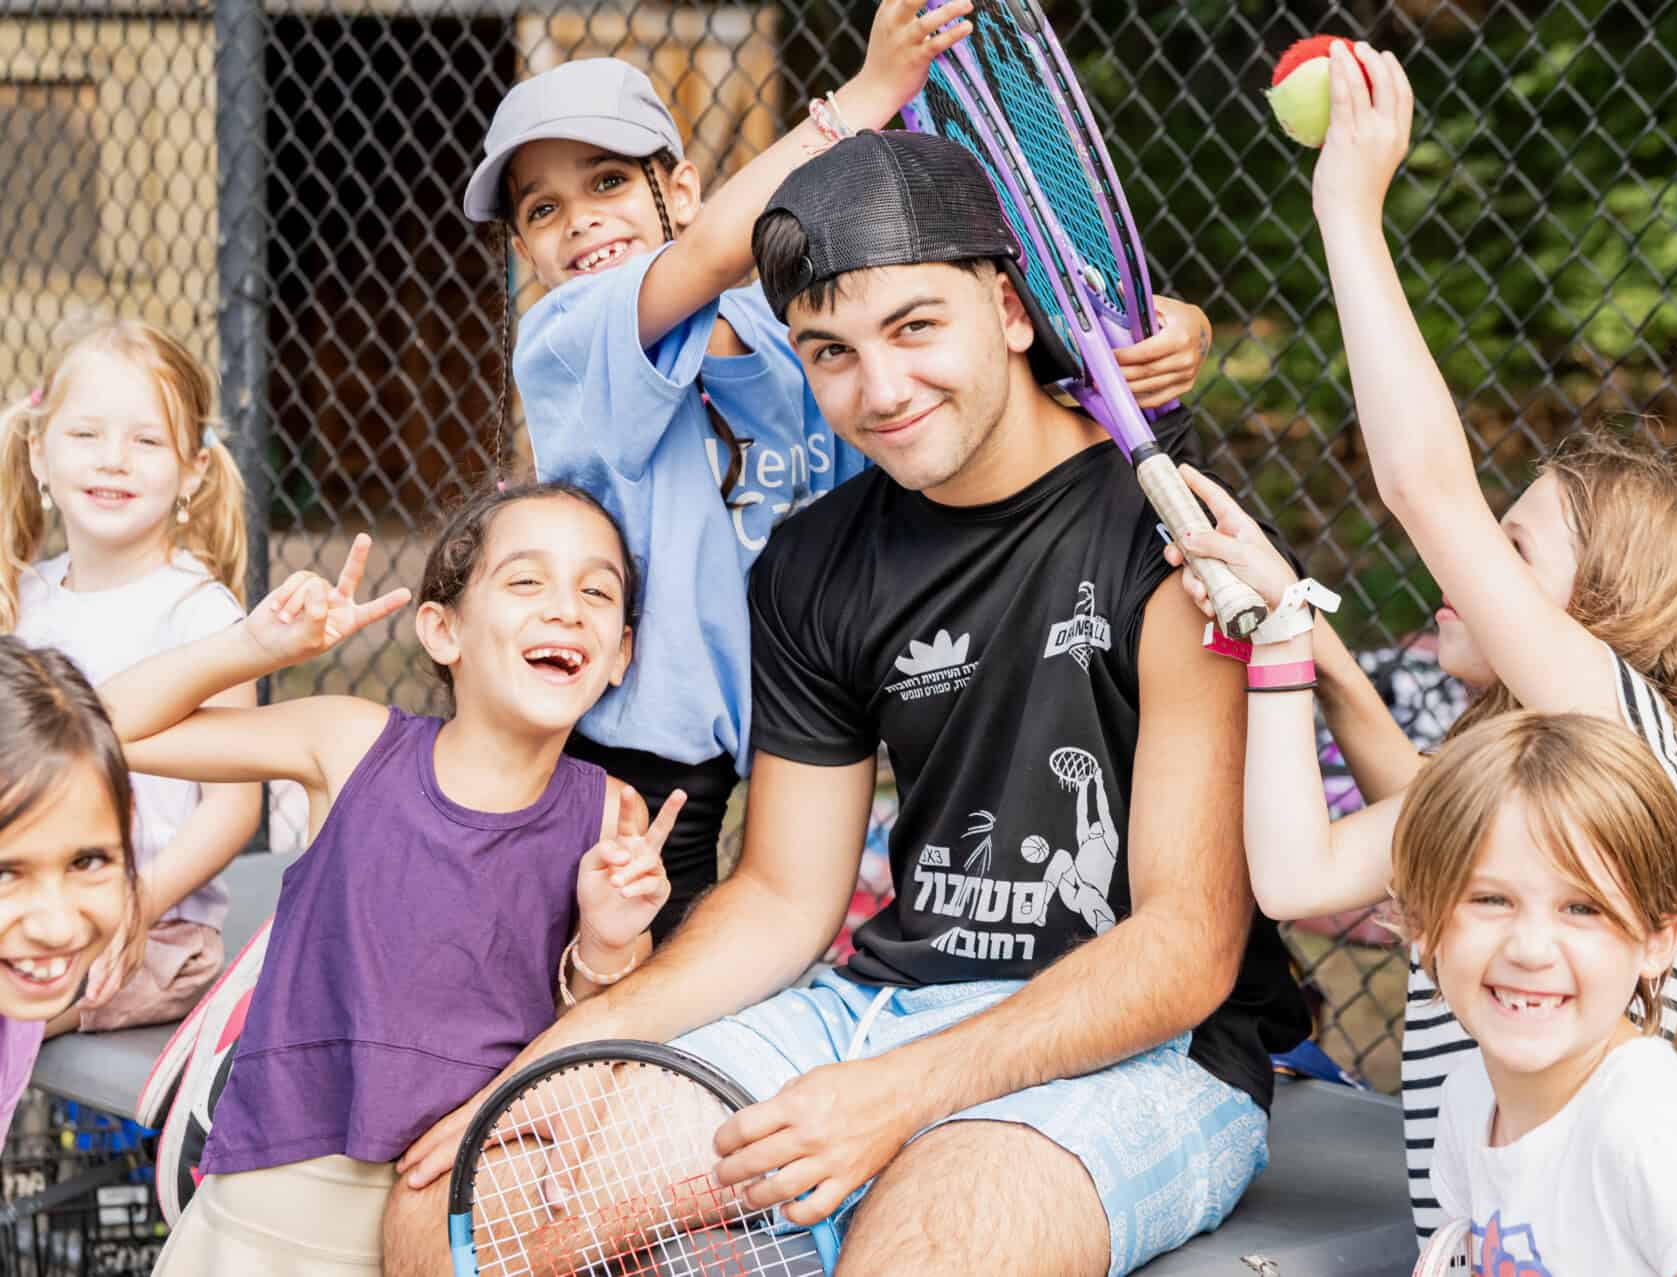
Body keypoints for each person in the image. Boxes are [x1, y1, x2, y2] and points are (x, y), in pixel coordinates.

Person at [383, 130, 1310, 1277]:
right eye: (829, 350)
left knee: (917, 1254)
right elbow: (780, 892)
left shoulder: (1173, 526)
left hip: (1144, 1047)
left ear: (1012, 312)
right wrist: (561, 1056)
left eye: (917, 326)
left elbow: (1184, 946)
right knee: (459, 1215)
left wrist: (895, 1096)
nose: (880, 389)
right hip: (880, 1006)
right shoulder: (816, 561)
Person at [1160, 40, 1677, 1240]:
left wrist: (1349, 209)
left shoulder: (1633, 740)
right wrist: (1305, 646)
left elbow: (1424, 486)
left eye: (1512, 552)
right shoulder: (1546, 779)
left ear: (1597, 616)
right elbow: (1301, 871)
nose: (1469, 567)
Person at [461, 10, 1215, 935]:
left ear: (685, 188)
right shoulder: (569, 338)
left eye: (609, 182)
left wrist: (1176, 325)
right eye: (542, 211)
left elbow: (986, 335)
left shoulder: (805, 335)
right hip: (636, 756)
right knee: (608, 962)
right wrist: (871, 95)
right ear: (525, 249)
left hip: (797, 710)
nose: (580, 223)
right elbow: (706, 254)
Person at [108, 484, 676, 1275]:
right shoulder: (350, 743)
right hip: (275, 1203)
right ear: (443, 630)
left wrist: (609, 942)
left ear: (619, 655)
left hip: (461, 1215)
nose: (567, 609)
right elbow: (110, 728)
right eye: (525, 581)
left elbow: (600, 1035)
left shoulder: (612, 812)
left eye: (596, 591)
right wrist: (254, 648)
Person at [1400, 712, 1677, 1276]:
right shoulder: (1470, 1098)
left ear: (1657, 939)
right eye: (1490, 900)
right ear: (1421, 918)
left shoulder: (1650, 1127)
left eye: (1581, 909)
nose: (1531, 948)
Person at [0, 320, 260, 1035]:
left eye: (146, 441)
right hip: (24, 911)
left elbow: (234, 808)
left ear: (193, 470)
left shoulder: (200, 615)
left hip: (151, 931)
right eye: (85, 435)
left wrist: (134, 907)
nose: (113, 460)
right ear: (39, 453)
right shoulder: (21, 599)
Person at [0, 638, 144, 1134]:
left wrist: (250, 646)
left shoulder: (16, 1000)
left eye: (87, 861)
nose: (57, 926)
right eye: (4, 874)